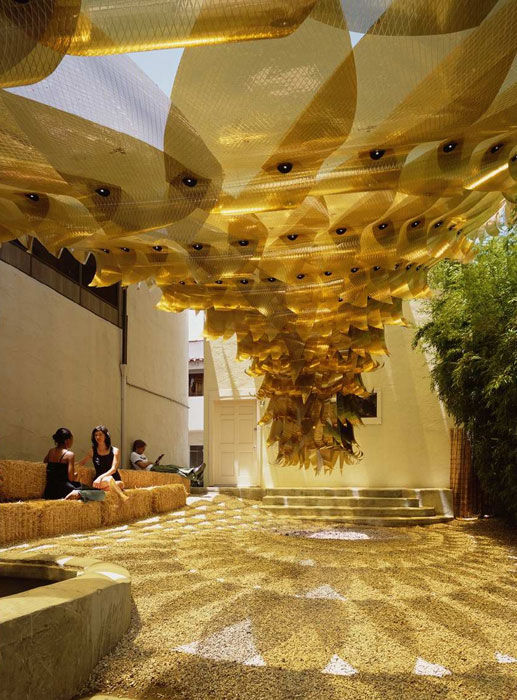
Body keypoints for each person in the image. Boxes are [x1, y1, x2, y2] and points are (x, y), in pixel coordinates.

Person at [43, 428, 105, 501]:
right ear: (67, 441)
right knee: (101, 494)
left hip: (49, 492)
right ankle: (78, 494)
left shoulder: (51, 451)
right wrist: (75, 475)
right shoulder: (69, 455)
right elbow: (71, 478)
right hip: (64, 490)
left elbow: (45, 462)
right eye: (72, 439)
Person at [78, 425, 128, 502]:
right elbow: (81, 463)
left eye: (100, 434)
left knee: (120, 483)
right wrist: (71, 464)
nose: (98, 437)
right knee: (113, 481)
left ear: (106, 436)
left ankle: (101, 490)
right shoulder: (92, 451)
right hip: (99, 483)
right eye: (96, 435)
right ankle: (121, 495)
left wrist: (100, 477)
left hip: (111, 479)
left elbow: (113, 469)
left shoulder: (115, 451)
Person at [130, 439, 205, 482]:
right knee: (174, 470)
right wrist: (150, 462)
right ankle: (194, 473)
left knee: (172, 466)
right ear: (137, 447)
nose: (144, 451)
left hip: (153, 467)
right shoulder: (134, 454)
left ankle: (194, 474)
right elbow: (142, 465)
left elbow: (146, 464)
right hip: (151, 470)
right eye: (142, 449)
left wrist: (156, 463)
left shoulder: (142, 455)